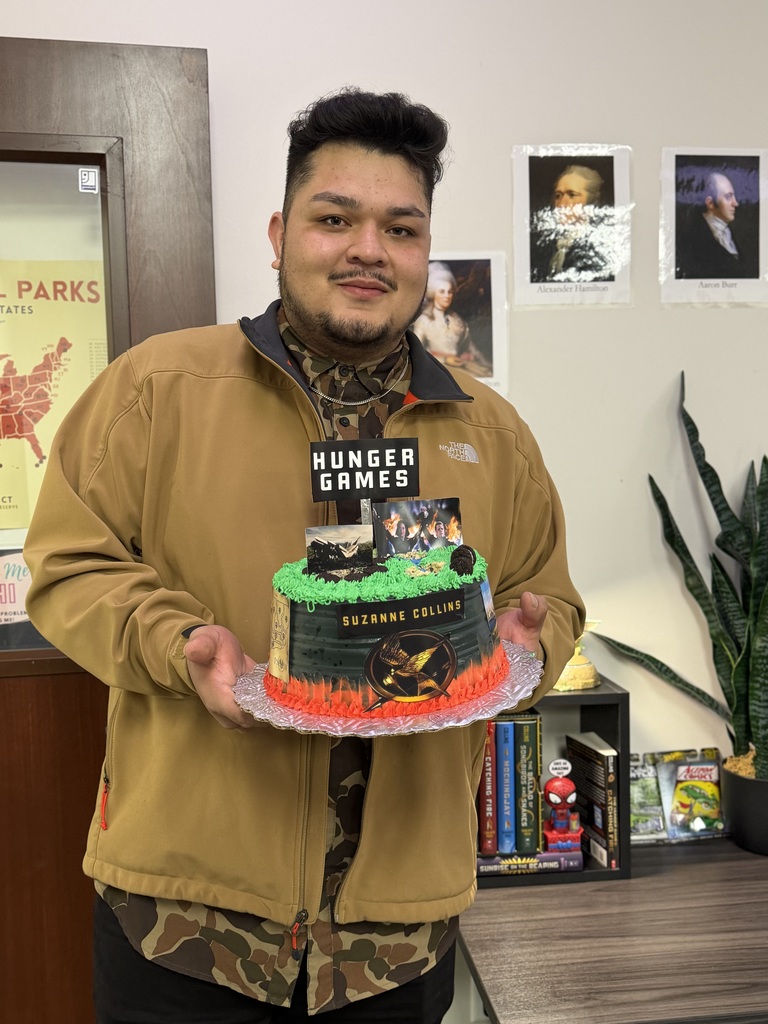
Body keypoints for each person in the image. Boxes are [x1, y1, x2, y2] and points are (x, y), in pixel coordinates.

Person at [23, 88, 585, 1024]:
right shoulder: (157, 389)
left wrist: (529, 640)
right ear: (282, 234)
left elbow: (547, 593)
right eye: (336, 219)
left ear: (424, 251)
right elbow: (67, 567)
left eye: (401, 229)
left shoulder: (493, 435)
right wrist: (179, 643)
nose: (370, 248)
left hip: (396, 942)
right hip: (184, 929)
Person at [530, 163, 614, 283]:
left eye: (572, 195)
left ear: (591, 203)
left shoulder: (600, 249)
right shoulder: (543, 247)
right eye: (558, 196)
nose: (562, 204)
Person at [410, 261, 492, 377]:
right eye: (442, 292)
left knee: (485, 375)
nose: (447, 296)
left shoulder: (456, 319)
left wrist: (481, 361)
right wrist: (445, 359)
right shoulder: (423, 321)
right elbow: (416, 354)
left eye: (450, 292)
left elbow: (470, 348)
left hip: (460, 365)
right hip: (435, 369)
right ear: (433, 293)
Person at [676, 170, 758, 279]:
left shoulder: (731, 233)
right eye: (728, 197)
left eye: (733, 196)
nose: (736, 203)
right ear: (710, 203)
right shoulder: (691, 237)